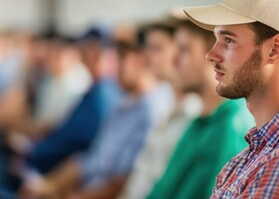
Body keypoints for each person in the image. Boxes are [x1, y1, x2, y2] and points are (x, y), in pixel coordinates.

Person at [184, 0, 279, 198]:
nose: (211, 54)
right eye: (216, 38)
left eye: (228, 40)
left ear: (275, 49)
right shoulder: (257, 154)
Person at [20, 27, 175, 199]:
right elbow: (90, 161)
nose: (117, 66)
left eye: (123, 57)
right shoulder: (120, 103)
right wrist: (49, 186)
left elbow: (121, 181)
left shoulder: (151, 111)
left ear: (142, 60)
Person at [146, 18, 254, 199]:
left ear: (213, 56)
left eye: (184, 50)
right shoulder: (198, 123)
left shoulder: (232, 127)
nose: (173, 60)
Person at [118, 21, 202, 199]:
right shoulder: (164, 102)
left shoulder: (194, 113)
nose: (147, 57)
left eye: (157, 49)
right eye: (148, 48)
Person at [25, 28, 122, 175]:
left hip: (69, 170)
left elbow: (76, 139)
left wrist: (37, 152)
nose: (88, 57)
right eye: (86, 51)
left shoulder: (102, 93)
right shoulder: (95, 89)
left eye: (96, 52)